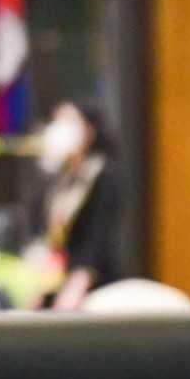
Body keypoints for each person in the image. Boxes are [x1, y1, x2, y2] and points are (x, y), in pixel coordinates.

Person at [31, 100, 123, 310]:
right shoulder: (57, 178)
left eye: (69, 121)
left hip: (92, 282)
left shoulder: (102, 175)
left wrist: (78, 281)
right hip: (53, 278)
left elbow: (98, 237)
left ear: (89, 129)